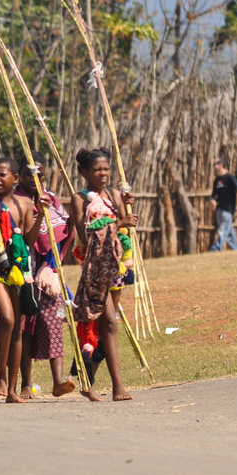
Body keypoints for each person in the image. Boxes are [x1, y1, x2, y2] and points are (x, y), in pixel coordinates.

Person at [70, 148, 137, 402]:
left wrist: (127, 208)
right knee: (108, 321)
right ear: (84, 172)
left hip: (116, 267)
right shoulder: (80, 199)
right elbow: (86, 235)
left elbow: (124, 226)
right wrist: (119, 223)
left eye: (107, 168)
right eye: (97, 169)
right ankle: (117, 386)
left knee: (104, 325)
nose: (104, 174)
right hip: (95, 269)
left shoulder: (115, 195)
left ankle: (86, 379)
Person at [15, 152, 75, 399]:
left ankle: (58, 381)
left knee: (53, 321)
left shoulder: (50, 197)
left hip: (48, 273)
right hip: (23, 269)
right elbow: (27, 236)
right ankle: (26, 383)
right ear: (20, 173)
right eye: (30, 174)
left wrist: (54, 262)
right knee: (26, 327)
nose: (35, 178)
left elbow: (62, 230)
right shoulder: (16, 199)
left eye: (40, 174)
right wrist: (38, 213)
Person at [0, 158, 43, 403]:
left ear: (15, 179)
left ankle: (12, 388)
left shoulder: (26, 204)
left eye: (2, 175)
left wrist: (42, 215)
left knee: (17, 327)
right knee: (7, 318)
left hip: (20, 267)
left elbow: (29, 241)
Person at [208, 159, 237, 251]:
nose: (214, 166)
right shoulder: (217, 180)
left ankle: (217, 247)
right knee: (228, 232)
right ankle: (236, 249)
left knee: (223, 230)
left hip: (228, 210)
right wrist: (213, 202)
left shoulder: (230, 178)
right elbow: (213, 196)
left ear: (221, 164)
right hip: (219, 210)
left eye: (215, 164)